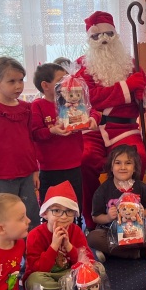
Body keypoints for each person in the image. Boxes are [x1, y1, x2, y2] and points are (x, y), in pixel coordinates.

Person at [76, 11, 146, 230]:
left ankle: (132, 217)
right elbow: (92, 98)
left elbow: (144, 95)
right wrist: (128, 87)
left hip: (124, 128)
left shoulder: (131, 65)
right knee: (85, 159)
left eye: (108, 34)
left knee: (138, 157)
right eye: (97, 36)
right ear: (90, 39)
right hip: (93, 129)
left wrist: (142, 94)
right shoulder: (82, 67)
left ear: (116, 35)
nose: (103, 39)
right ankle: (93, 218)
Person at [0, 57, 40, 232]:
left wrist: (35, 170)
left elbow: (30, 140)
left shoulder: (26, 108)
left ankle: (32, 249)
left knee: (31, 216)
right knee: (7, 219)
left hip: (26, 173)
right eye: (12, 81)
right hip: (2, 176)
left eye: (21, 80)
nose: (18, 86)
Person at [31, 62, 95, 207]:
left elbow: (93, 112)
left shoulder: (74, 101)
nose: (66, 84)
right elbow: (35, 133)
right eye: (61, 80)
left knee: (74, 204)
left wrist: (91, 119)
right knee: (50, 205)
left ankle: (76, 222)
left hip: (74, 165)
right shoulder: (37, 105)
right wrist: (52, 130)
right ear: (45, 85)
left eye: (67, 79)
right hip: (49, 168)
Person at [24, 181, 93, 290]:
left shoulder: (76, 231)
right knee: (33, 280)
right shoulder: (35, 235)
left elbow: (88, 261)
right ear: (45, 213)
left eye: (69, 211)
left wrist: (69, 246)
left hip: (71, 275)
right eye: (56, 210)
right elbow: (37, 270)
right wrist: (54, 246)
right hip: (48, 277)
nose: (64, 216)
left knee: (98, 269)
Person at [87, 145, 146, 260]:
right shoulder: (103, 190)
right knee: (92, 238)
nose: (123, 167)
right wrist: (108, 217)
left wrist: (141, 213)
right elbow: (96, 217)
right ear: (111, 167)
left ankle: (112, 252)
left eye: (128, 163)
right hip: (111, 232)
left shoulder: (141, 187)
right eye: (118, 163)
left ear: (134, 167)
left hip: (136, 230)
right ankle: (137, 253)